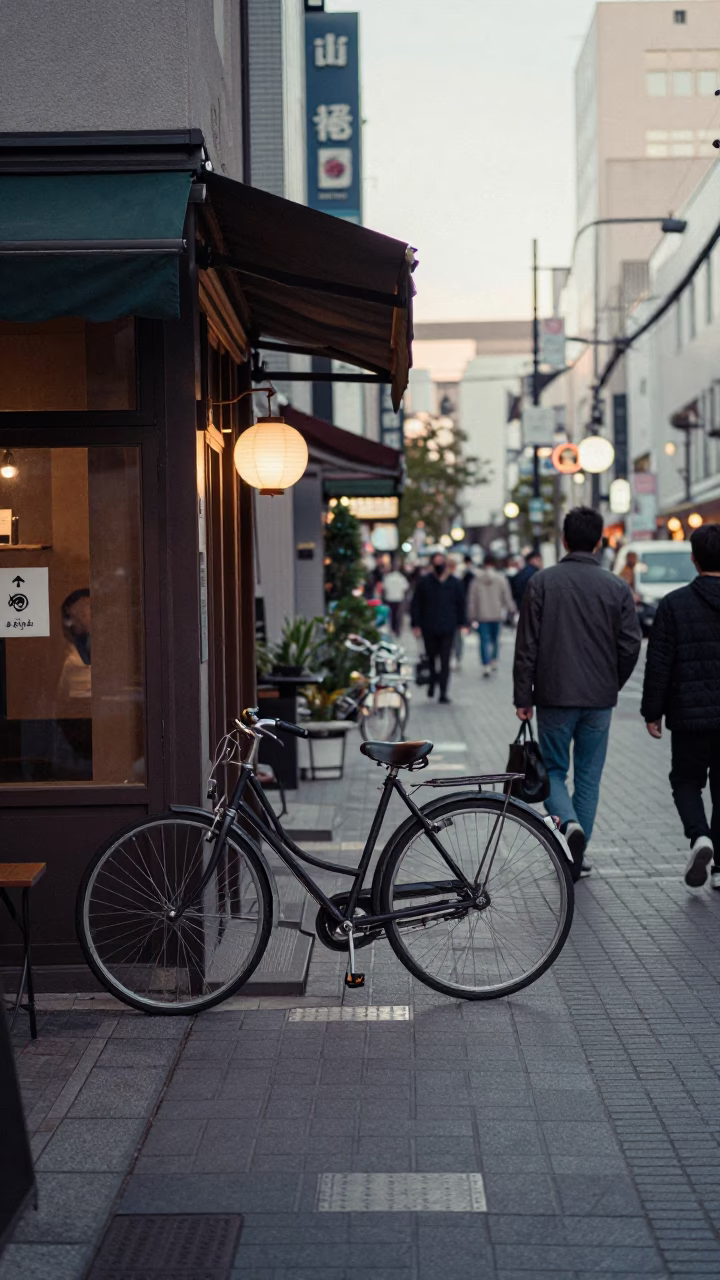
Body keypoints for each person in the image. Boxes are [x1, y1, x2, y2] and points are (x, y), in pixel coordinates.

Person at [513, 506, 642, 878]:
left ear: (564, 540)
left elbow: (527, 646)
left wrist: (524, 696)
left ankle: (567, 824)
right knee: (589, 776)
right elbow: (631, 644)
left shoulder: (542, 582)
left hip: (553, 695)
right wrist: (612, 680)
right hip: (599, 698)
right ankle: (578, 855)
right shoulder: (617, 587)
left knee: (553, 769)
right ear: (600, 541)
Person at [641, 523, 720, 890]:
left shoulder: (673, 604)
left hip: (689, 715)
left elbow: (659, 663)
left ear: (693, 559)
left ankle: (699, 836)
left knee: (687, 780)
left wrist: (651, 712)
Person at [411, 552, 467, 703]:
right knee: (431, 658)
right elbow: (416, 604)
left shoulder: (454, 583)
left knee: (445, 660)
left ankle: (443, 691)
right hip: (429, 627)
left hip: (448, 627)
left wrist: (462, 623)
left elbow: (461, 604)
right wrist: (415, 625)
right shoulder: (424, 583)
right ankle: (431, 683)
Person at [467, 554, 516, 676]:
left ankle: (486, 664)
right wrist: (511, 609)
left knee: (484, 640)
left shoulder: (476, 580)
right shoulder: (501, 579)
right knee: (495, 639)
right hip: (497, 613)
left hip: (482, 615)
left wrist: (471, 614)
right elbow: (506, 596)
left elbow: (472, 599)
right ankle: (494, 660)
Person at [383, 559, 410, 637]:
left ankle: (392, 629)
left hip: (390, 598)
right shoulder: (401, 578)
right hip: (398, 599)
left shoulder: (388, 577)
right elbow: (406, 588)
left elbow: (384, 588)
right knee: (398, 616)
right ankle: (397, 629)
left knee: (391, 615)